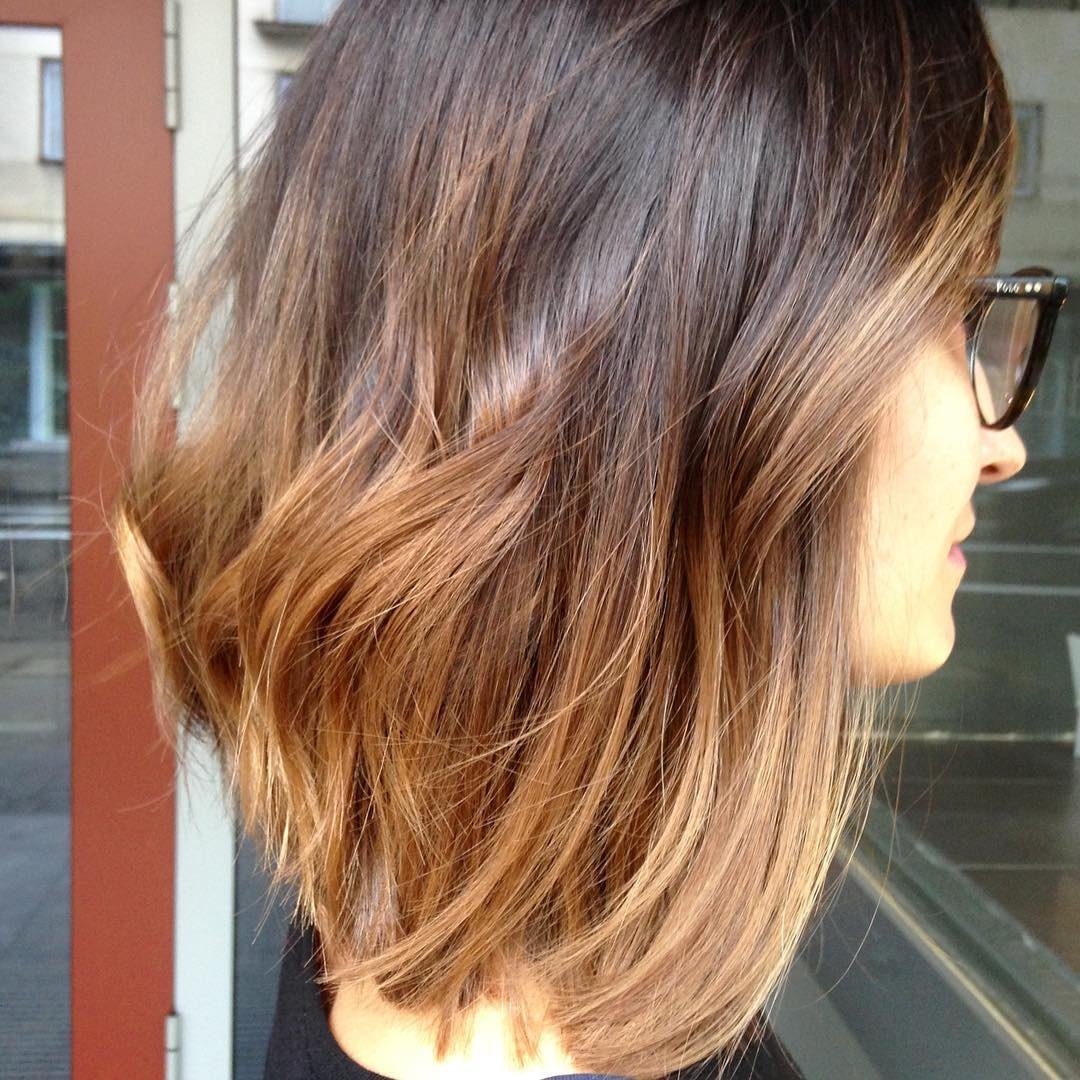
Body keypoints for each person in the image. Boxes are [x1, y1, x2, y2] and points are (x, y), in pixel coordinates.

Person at [109, 1, 1069, 1077]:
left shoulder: (418, 938)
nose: (1003, 446)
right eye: (948, 312)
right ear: (694, 387)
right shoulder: (542, 1024)